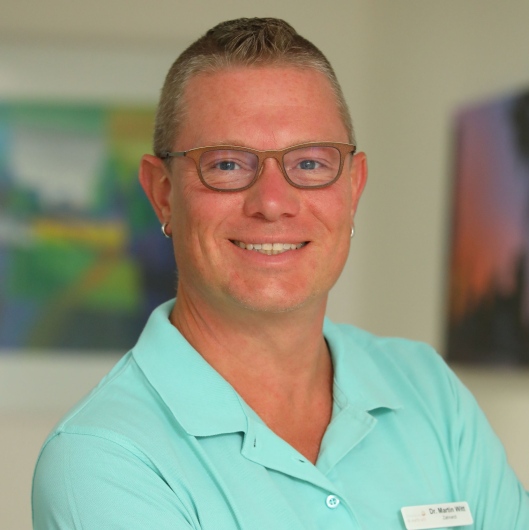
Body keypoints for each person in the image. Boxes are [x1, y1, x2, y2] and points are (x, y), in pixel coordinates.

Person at [32, 17, 529, 529]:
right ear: (163, 194)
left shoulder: (428, 390)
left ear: (353, 188)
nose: (272, 202)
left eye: (310, 164)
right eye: (227, 164)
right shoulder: (101, 459)